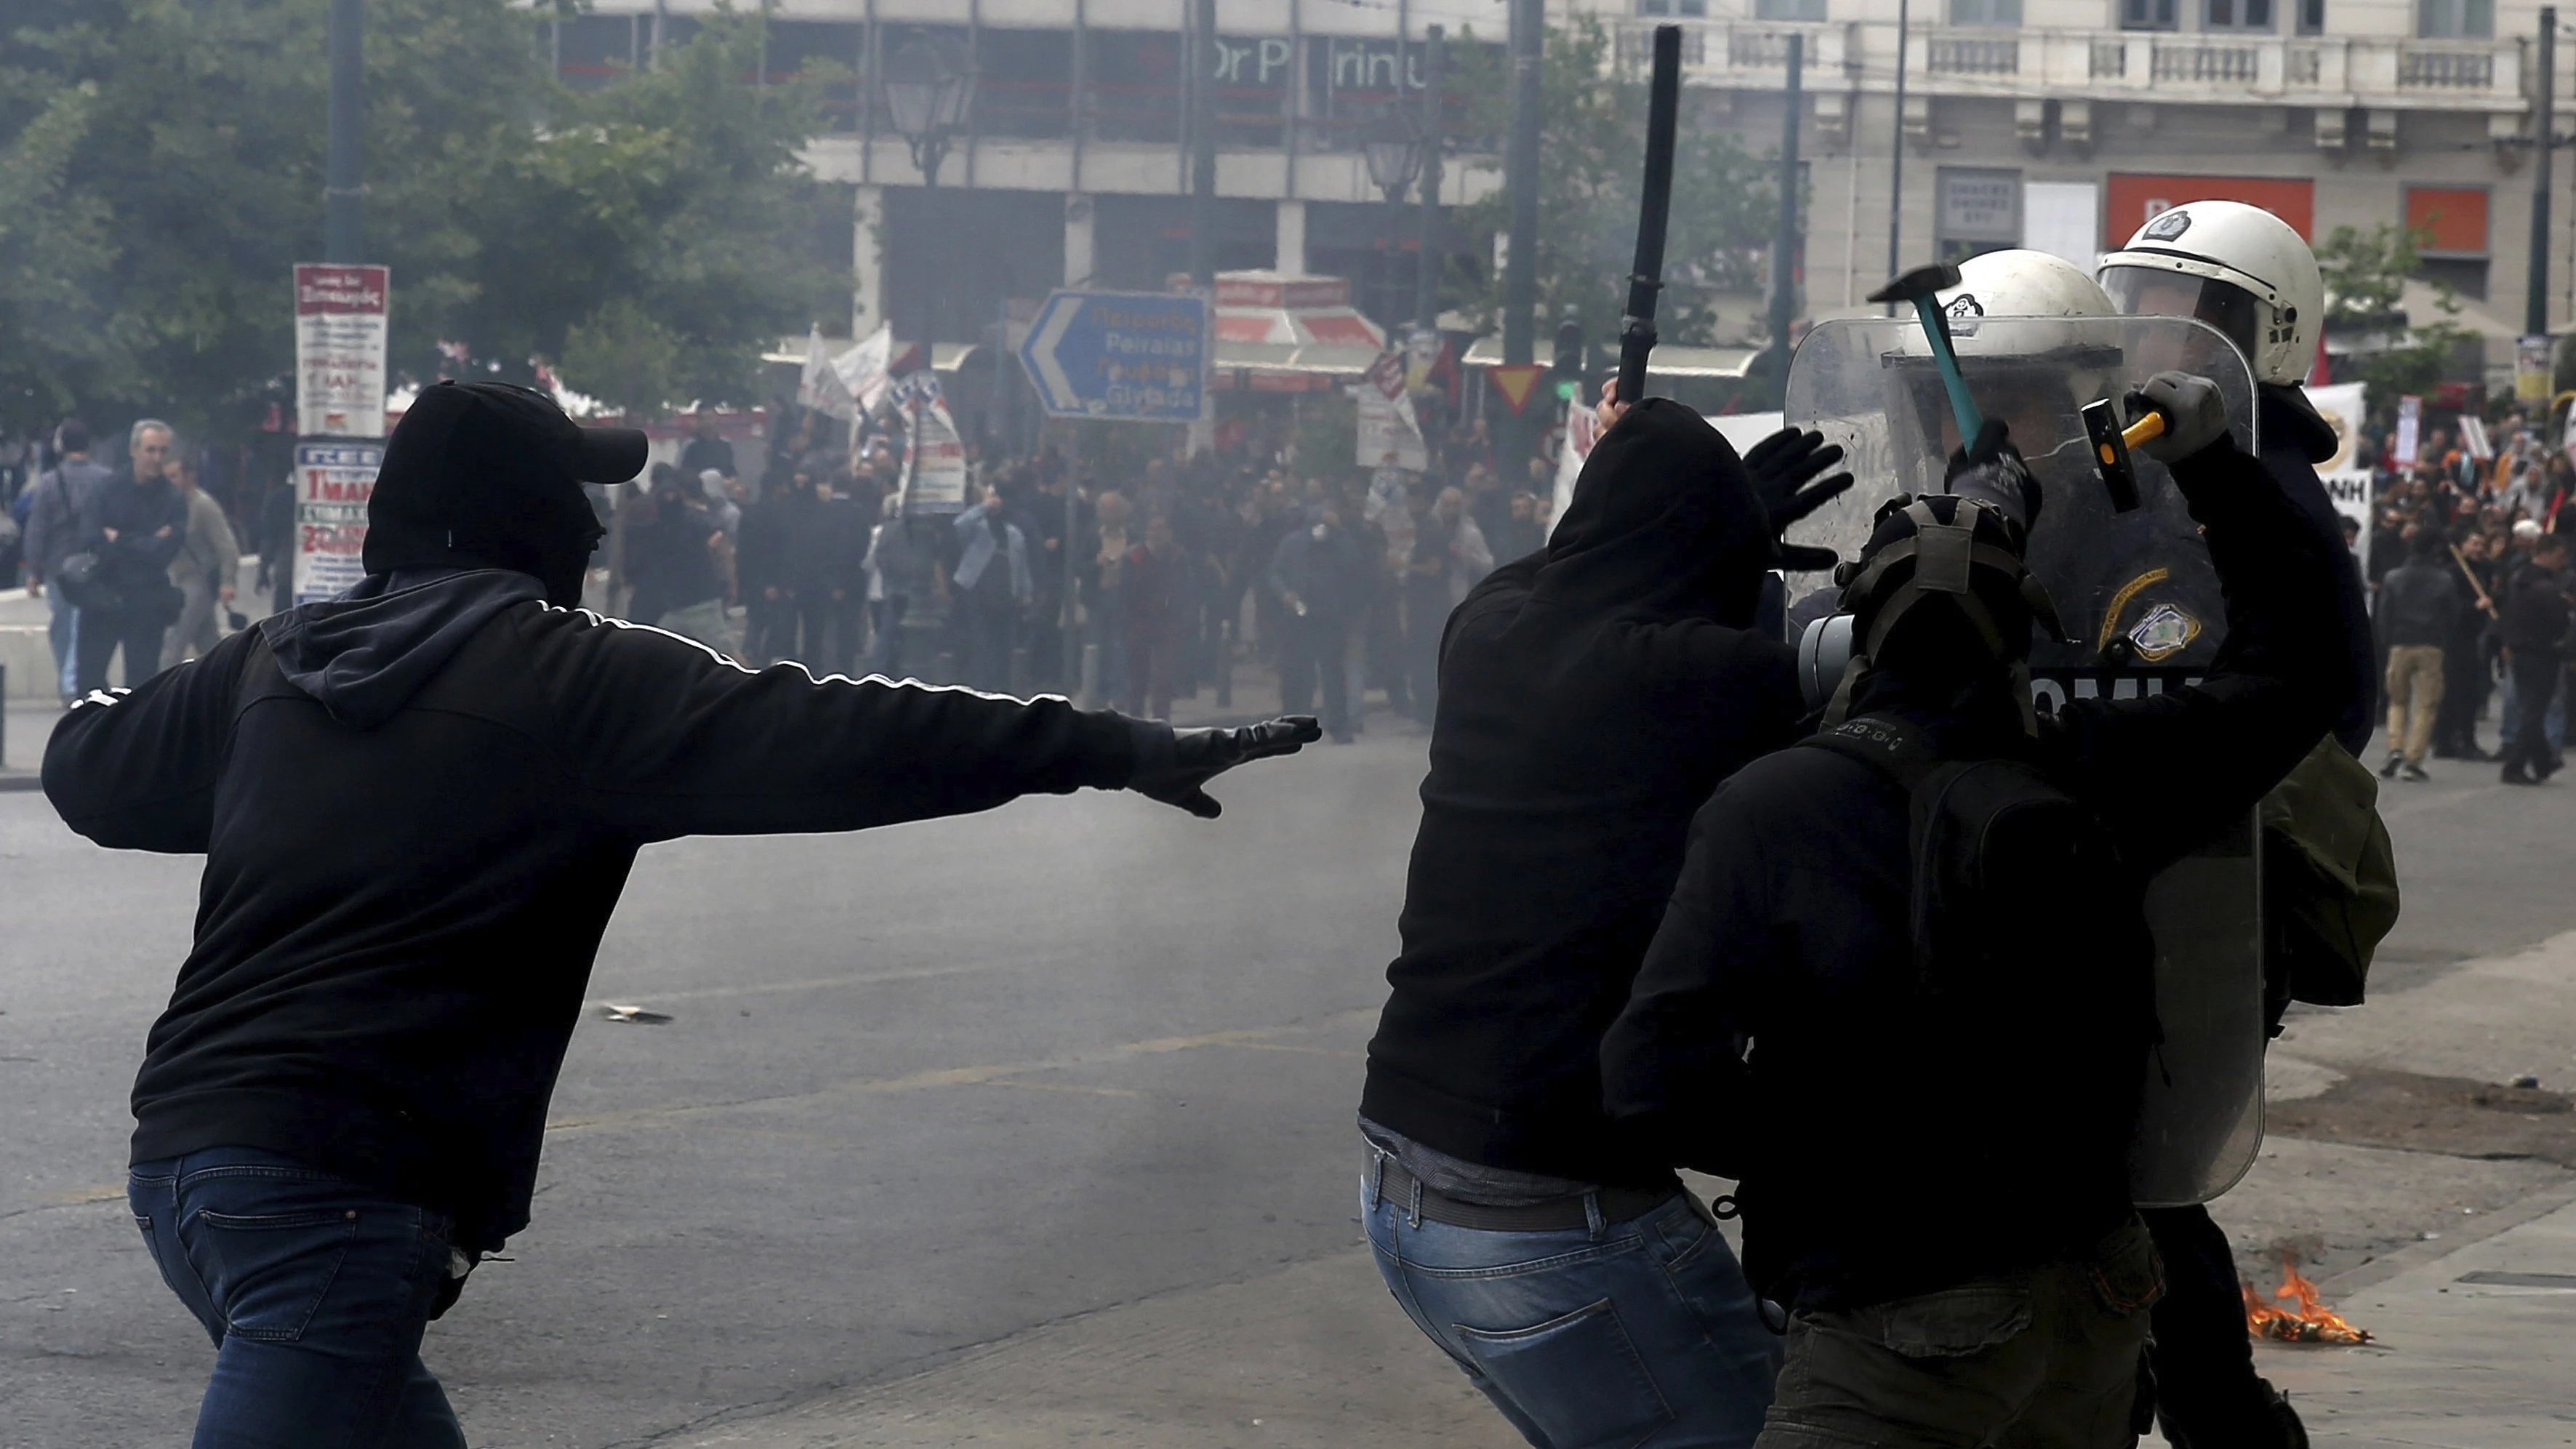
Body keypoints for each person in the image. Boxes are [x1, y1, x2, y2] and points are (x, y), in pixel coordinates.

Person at [43, 380, 1318, 1448]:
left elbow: (88, 763)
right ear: (524, 518)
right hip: (338, 1190)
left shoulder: (272, 664)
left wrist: (287, 781)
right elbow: (852, 733)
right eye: (573, 493)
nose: (595, 522)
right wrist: (1112, 745)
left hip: (188, 1168)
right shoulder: (579, 685)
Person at [1601, 375, 2348, 1449]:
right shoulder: (2098, 771)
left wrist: (1829, 1154)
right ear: (2019, 643)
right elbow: (2298, 669)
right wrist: (2213, 463)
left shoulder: (1771, 806)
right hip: (2092, 1292)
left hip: (1889, 1312)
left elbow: (1648, 1078)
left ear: (1853, 640)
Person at [1359, 396, 1850, 1449]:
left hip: (1406, 1193)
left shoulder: (1482, 627)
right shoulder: (1678, 677)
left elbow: (1558, 559)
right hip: (1546, 1216)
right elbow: (1876, 659)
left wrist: (1727, 522)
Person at [71, 419, 186, 694]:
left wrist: (120, 538)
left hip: (147, 599)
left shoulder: (173, 499)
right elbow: (90, 537)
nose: (157, 458)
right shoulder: (106, 489)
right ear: (134, 450)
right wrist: (145, 541)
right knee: (90, 682)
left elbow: (163, 553)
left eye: (162, 451)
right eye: (150, 450)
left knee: (143, 686)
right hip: (104, 593)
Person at [25, 420, 116, 701]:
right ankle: (84, 682)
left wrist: (33, 570)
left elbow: (37, 528)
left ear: (61, 446)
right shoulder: (107, 478)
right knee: (90, 628)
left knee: (63, 627)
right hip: (95, 565)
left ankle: (68, 686)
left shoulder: (51, 482)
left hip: (59, 566)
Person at [1269, 498, 1368, 743]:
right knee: (1296, 673)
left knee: (1333, 674)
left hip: (1329, 616)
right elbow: (1275, 573)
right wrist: (1285, 594)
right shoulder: (1292, 544)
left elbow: (1355, 565)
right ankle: (1293, 724)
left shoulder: (1339, 544)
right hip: (1298, 617)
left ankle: (1339, 725)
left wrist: (1341, 532)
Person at [2375, 530, 2462, 782]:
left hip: (2400, 641)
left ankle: (2395, 747)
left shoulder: (2393, 577)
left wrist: (2387, 639)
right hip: (2431, 643)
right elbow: (2453, 614)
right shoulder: (2444, 579)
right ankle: (2414, 758)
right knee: (2426, 703)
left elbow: (2384, 612)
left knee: (2397, 700)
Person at [2498, 530, 2569, 785]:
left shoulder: (2518, 579)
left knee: (2530, 707)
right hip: (2542, 652)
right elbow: (2558, 624)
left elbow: (2507, 611)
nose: (2563, 562)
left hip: (2519, 651)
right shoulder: (2546, 588)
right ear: (2546, 554)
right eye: (2560, 556)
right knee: (2535, 710)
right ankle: (2515, 765)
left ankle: (2543, 760)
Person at [161, 456, 242, 670]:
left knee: (173, 640)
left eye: (174, 476)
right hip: (177, 579)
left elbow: (227, 546)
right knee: (208, 644)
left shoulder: (203, 505)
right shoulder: (170, 505)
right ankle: (229, 683)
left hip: (198, 581)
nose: (169, 481)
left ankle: (159, 694)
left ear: (190, 477)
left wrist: (228, 581)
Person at [952, 487, 1032, 693]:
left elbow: (1021, 564)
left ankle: (1002, 688)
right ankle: (981, 686)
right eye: (992, 497)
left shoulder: (1014, 533)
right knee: (981, 641)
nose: (996, 502)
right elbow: (959, 526)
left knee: (1004, 643)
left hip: (1006, 594)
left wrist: (1026, 592)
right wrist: (983, 507)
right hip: (977, 591)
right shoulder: (977, 527)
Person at [1125, 513, 1194, 720]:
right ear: (1146, 532)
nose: (1157, 534)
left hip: (1168, 622)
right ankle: (1135, 719)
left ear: (1169, 533)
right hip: (1139, 621)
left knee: (1164, 677)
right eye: (1153, 529)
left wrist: (1181, 613)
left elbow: (1187, 588)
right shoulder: (1134, 557)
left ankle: (1161, 721)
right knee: (1138, 676)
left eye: (1162, 529)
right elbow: (1125, 592)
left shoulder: (1178, 556)